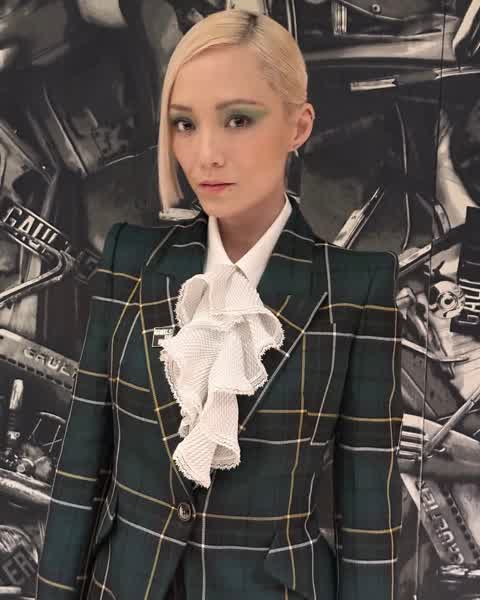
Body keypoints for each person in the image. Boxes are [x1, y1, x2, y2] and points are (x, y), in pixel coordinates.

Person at [35, 8, 403, 600]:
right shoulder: (129, 259)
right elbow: (80, 475)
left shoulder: (357, 289)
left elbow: (368, 521)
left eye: (237, 120)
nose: (206, 153)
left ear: (298, 126)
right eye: (185, 123)